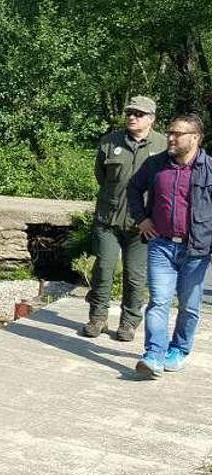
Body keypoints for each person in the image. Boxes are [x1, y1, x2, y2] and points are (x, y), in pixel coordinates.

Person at [126, 114, 212, 378]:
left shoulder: (209, 168)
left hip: (195, 251)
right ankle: (153, 355)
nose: (171, 138)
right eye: (170, 132)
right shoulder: (156, 164)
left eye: (178, 134)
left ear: (194, 138)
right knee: (159, 301)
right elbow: (132, 188)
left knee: (188, 305)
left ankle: (179, 349)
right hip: (160, 245)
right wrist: (142, 219)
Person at [81, 96, 167, 341]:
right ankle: (97, 318)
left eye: (138, 114)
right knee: (104, 269)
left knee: (135, 275)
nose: (132, 117)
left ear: (151, 118)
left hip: (143, 225)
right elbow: (102, 176)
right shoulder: (110, 142)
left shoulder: (162, 146)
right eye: (130, 112)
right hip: (108, 220)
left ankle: (129, 322)